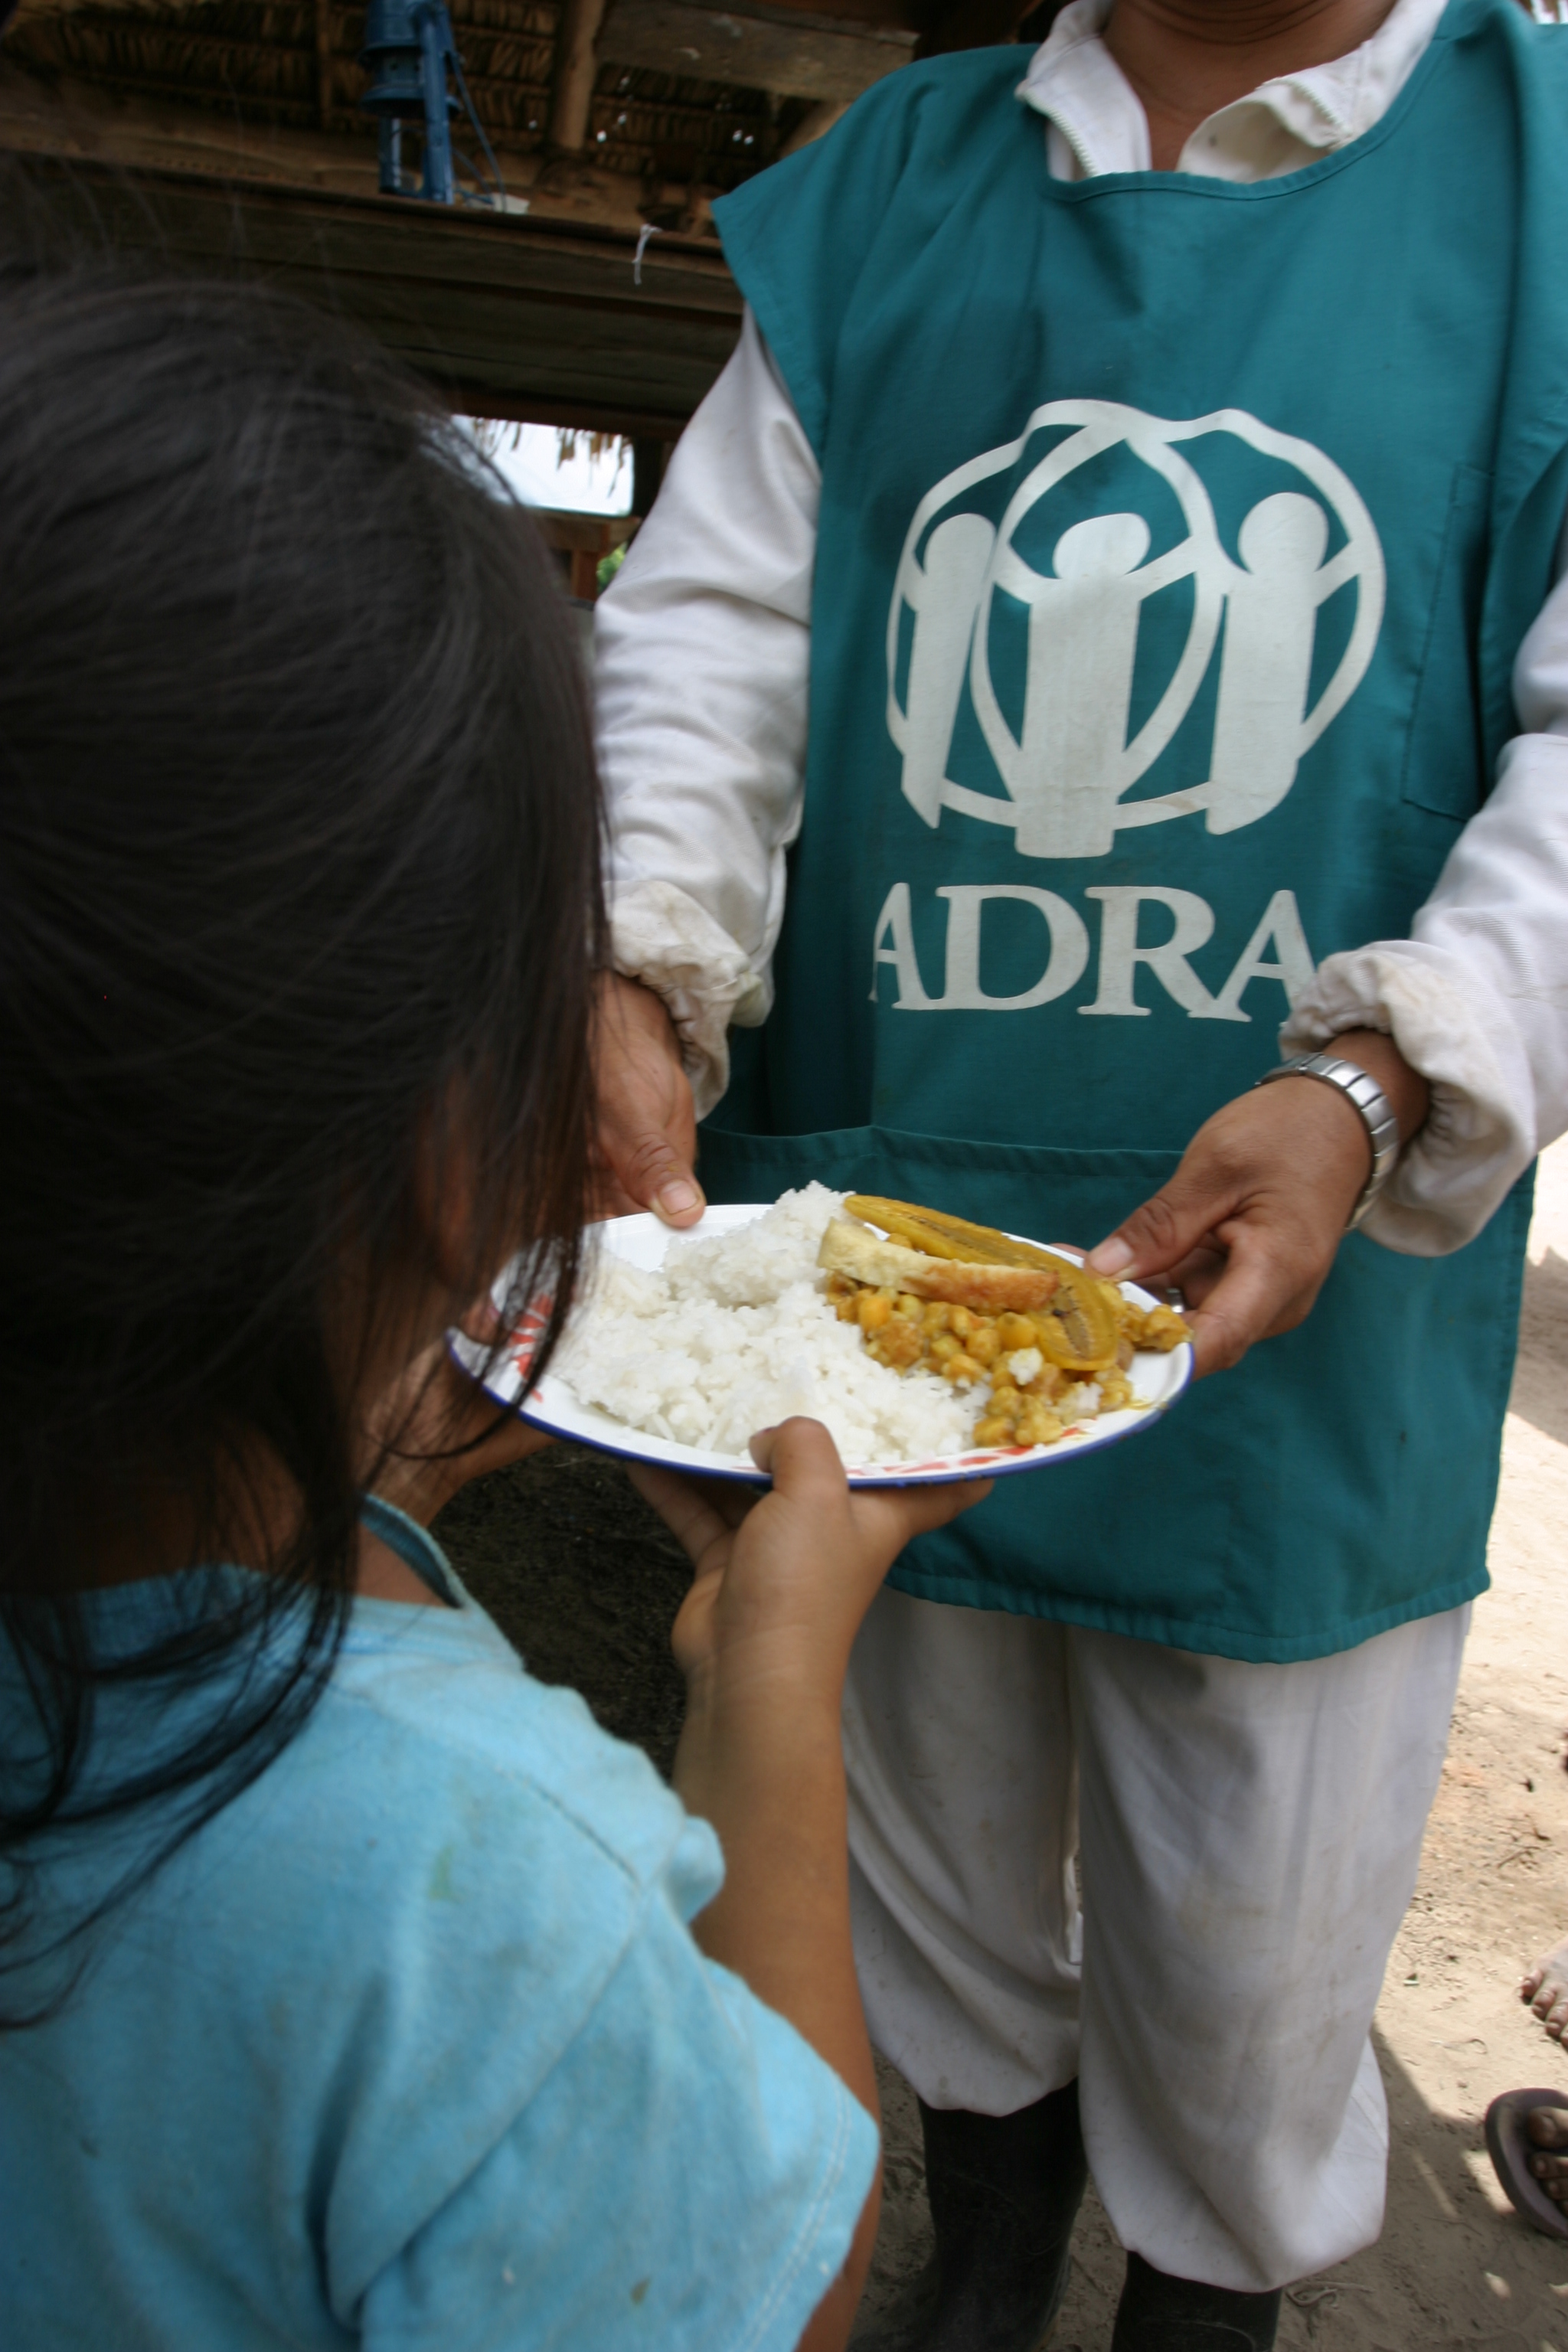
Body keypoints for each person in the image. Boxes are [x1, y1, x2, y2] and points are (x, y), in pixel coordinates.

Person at [590, 2, 1568, 2344]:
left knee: (1253, 1933)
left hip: (1321, 1261)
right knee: (918, 1826)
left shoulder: (1539, 181)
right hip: (895, 1214)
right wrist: (635, 959)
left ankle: (1204, 2298)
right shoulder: (897, 188)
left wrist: (1378, 1080)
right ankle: (995, 2219)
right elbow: (711, 635)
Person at [0, 259, 989, 2350]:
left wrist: (362, 1444)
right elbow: (775, 2289)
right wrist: (770, 1684)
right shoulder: (481, 1889)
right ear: (465, 1149)